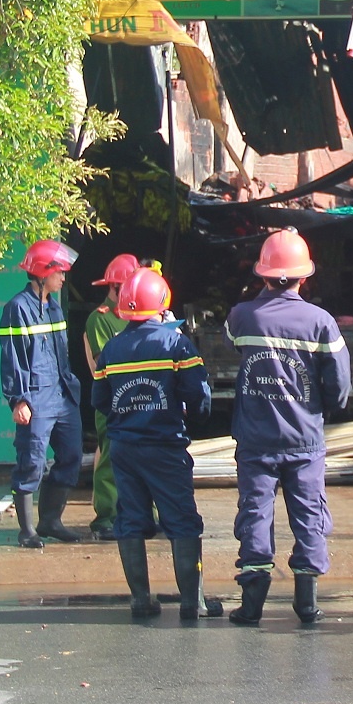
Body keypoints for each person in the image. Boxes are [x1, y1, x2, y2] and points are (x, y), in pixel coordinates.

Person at [225, 229, 350, 625]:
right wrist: (322, 410)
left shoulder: (242, 315)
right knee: (309, 513)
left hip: (256, 439)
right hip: (304, 439)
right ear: (304, 276)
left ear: (262, 273)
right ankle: (307, 602)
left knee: (255, 513)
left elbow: (235, 347)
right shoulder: (321, 322)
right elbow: (340, 385)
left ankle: (252, 604)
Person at [97, 265, 222, 620]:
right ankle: (191, 602)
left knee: (131, 519)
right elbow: (199, 396)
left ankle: (141, 600)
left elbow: (100, 400)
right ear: (162, 303)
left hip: (124, 448)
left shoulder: (112, 348)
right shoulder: (175, 343)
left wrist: (127, 418)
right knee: (182, 520)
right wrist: (189, 415)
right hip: (165, 446)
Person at [0, 239, 84, 549]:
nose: (63, 277)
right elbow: (12, 356)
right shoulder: (16, 309)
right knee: (31, 461)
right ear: (41, 273)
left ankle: (50, 520)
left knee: (72, 455)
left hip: (62, 394)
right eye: (59, 272)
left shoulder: (53, 305)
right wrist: (18, 398)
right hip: (35, 396)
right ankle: (28, 531)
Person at [81, 253, 141, 542]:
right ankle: (105, 516)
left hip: (139, 398)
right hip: (113, 400)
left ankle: (141, 513)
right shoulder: (99, 320)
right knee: (109, 459)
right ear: (115, 288)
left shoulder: (137, 316)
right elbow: (104, 362)